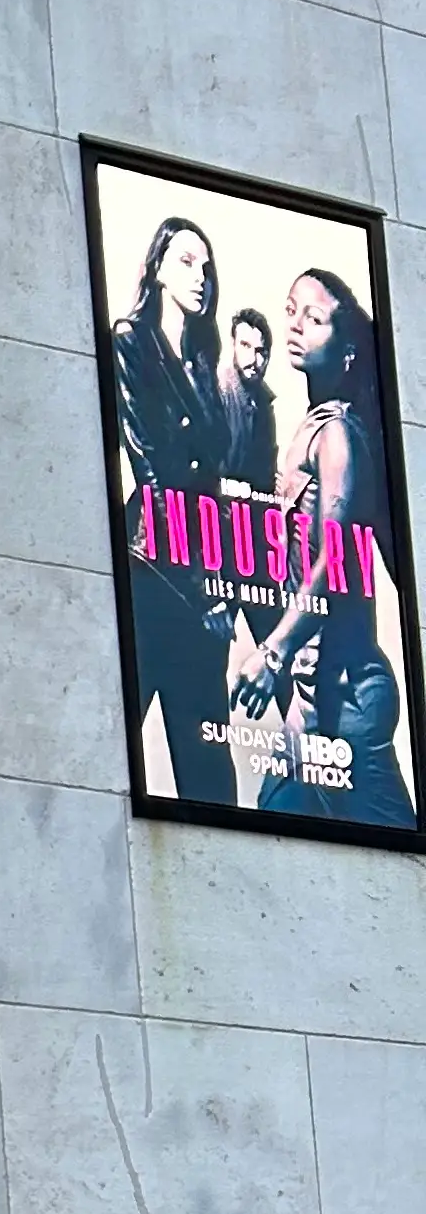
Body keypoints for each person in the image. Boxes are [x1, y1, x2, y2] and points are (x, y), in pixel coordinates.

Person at [232, 264, 416, 827]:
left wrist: (274, 652)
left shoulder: (339, 434)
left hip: (348, 698)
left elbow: (333, 562)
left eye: (315, 320)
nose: (296, 326)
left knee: (401, 858)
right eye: (292, 311)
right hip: (313, 698)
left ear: (348, 353)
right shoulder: (307, 427)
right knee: (273, 820)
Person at [110, 211, 232, 793]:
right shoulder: (132, 341)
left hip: (203, 582)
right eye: (186, 260)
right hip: (155, 576)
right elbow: (150, 467)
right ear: (157, 267)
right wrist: (204, 589)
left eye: (206, 265)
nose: (200, 275)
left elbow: (217, 483)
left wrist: (226, 589)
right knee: (111, 750)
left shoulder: (207, 362)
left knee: (211, 776)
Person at [218, 304, 280, 491]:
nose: (253, 359)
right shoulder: (216, 391)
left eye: (261, 351)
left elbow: (267, 475)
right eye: (245, 346)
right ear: (233, 345)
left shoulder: (265, 404)